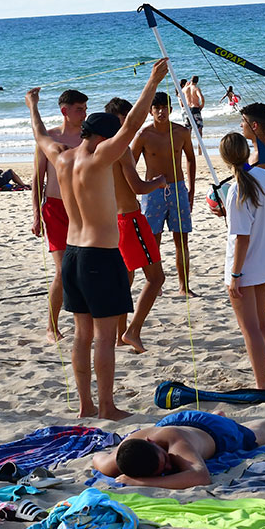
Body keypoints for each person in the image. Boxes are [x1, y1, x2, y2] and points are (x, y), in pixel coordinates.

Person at [25, 58, 168, 420]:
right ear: (104, 137)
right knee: (104, 337)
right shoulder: (101, 156)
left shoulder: (60, 156)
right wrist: (152, 81)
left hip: (72, 255)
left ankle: (85, 405)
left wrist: (33, 106)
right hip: (100, 257)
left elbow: (40, 135)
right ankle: (105, 406)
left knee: (81, 335)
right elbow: (134, 123)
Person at [212, 132, 265, 390]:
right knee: (264, 322)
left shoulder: (238, 188)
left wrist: (236, 275)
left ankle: (264, 385)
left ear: (225, 157)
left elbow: (241, 237)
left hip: (247, 264)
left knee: (251, 328)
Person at [92, 409, 265, 488]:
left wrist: (140, 482)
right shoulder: (121, 457)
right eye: (163, 469)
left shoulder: (176, 445)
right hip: (178, 425)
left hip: (210, 431)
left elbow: (201, 477)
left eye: (165, 460)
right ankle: (216, 414)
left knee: (255, 437)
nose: (171, 464)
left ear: (152, 443)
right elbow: (98, 459)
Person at [104, 97, 167, 352]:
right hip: (130, 220)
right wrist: (159, 181)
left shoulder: (100, 148)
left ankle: (120, 336)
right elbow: (138, 187)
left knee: (124, 282)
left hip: (112, 221)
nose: (133, 121)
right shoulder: (121, 148)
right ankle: (133, 331)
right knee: (156, 278)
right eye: (128, 117)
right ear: (119, 120)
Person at [31, 89, 87, 343]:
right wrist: (35, 214)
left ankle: (82, 323)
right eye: (79, 109)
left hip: (82, 208)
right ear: (65, 111)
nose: (84, 113)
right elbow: (37, 178)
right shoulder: (50, 138)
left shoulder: (89, 137)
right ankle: (51, 327)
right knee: (62, 270)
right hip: (54, 208)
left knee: (82, 269)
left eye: (86, 108)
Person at [132, 92, 198, 297]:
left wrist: (191, 189)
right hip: (152, 191)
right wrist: (134, 190)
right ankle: (155, 286)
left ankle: (184, 287)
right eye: (157, 107)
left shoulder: (181, 132)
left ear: (171, 108)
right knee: (153, 240)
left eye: (165, 107)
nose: (161, 111)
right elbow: (129, 166)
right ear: (150, 111)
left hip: (178, 188)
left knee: (182, 239)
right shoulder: (143, 135)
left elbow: (190, 159)